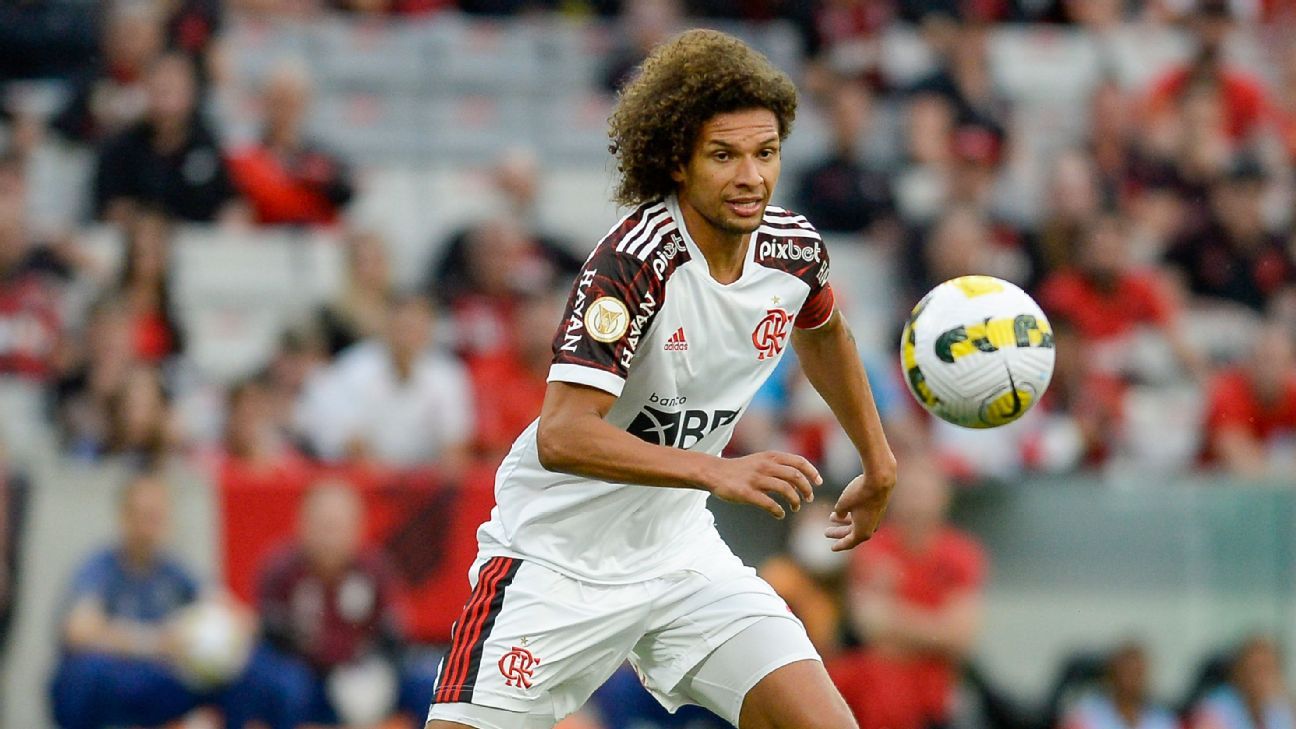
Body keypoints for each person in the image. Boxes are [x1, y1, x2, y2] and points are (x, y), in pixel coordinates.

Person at [425, 29, 897, 729]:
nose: (750, 177)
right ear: (678, 159)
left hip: (680, 558)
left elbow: (824, 330)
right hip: (556, 559)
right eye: (724, 155)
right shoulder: (634, 261)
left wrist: (879, 460)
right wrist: (715, 471)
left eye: (765, 153)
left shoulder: (793, 249)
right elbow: (561, 434)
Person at [49, 474, 304, 729]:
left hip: (165, 679)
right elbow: (79, 631)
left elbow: (229, 610)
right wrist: (153, 641)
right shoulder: (99, 568)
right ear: (123, 517)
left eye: (158, 517)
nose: (150, 527)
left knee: (260, 670)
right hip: (121, 674)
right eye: (143, 516)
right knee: (83, 674)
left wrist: (225, 635)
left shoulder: (175, 570)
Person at [257, 479, 437, 725]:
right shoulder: (282, 570)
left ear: (357, 527)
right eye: (323, 525)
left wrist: (374, 670)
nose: (329, 537)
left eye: (337, 526)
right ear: (302, 524)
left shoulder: (375, 569)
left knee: (429, 681)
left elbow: (393, 633)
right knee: (282, 685)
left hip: (363, 672)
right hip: (307, 676)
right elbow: (270, 635)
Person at [827, 460, 985, 729]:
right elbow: (869, 625)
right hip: (875, 679)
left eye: (923, 494)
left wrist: (896, 624)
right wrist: (933, 628)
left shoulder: (962, 554)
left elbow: (958, 637)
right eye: (910, 493)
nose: (916, 504)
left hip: (934, 684)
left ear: (943, 498)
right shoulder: (871, 547)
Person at [1059, 641, 1177, 729]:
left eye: (1138, 674)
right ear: (1112, 675)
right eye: (1127, 673)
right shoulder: (1086, 716)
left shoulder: (1162, 720)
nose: (1132, 681)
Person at [1190, 636, 1295, 729]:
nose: (1261, 679)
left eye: (1268, 669)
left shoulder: (1277, 710)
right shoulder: (1214, 711)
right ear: (1238, 673)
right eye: (1255, 669)